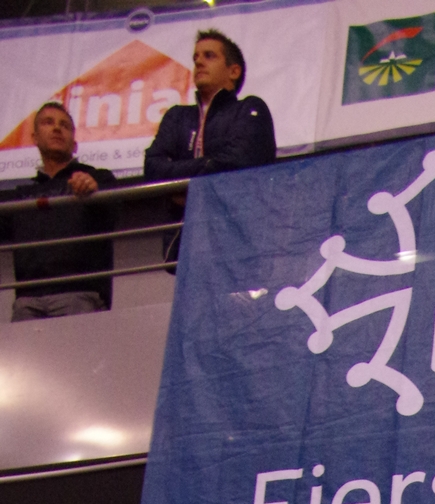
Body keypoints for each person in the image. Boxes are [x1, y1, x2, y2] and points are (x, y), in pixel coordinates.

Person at [0, 103, 117, 320]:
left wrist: (92, 189)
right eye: (48, 122)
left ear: (75, 144)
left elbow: (113, 212)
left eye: (64, 125)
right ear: (35, 138)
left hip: (79, 294)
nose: (56, 128)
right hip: (27, 299)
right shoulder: (20, 195)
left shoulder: (99, 178)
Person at [144, 33, 276, 181]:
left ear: (234, 72)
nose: (199, 62)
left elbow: (238, 162)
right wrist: (208, 163)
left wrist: (180, 172)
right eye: (195, 58)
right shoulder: (176, 116)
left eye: (209, 56)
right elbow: (152, 168)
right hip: (184, 198)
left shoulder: (249, 108)